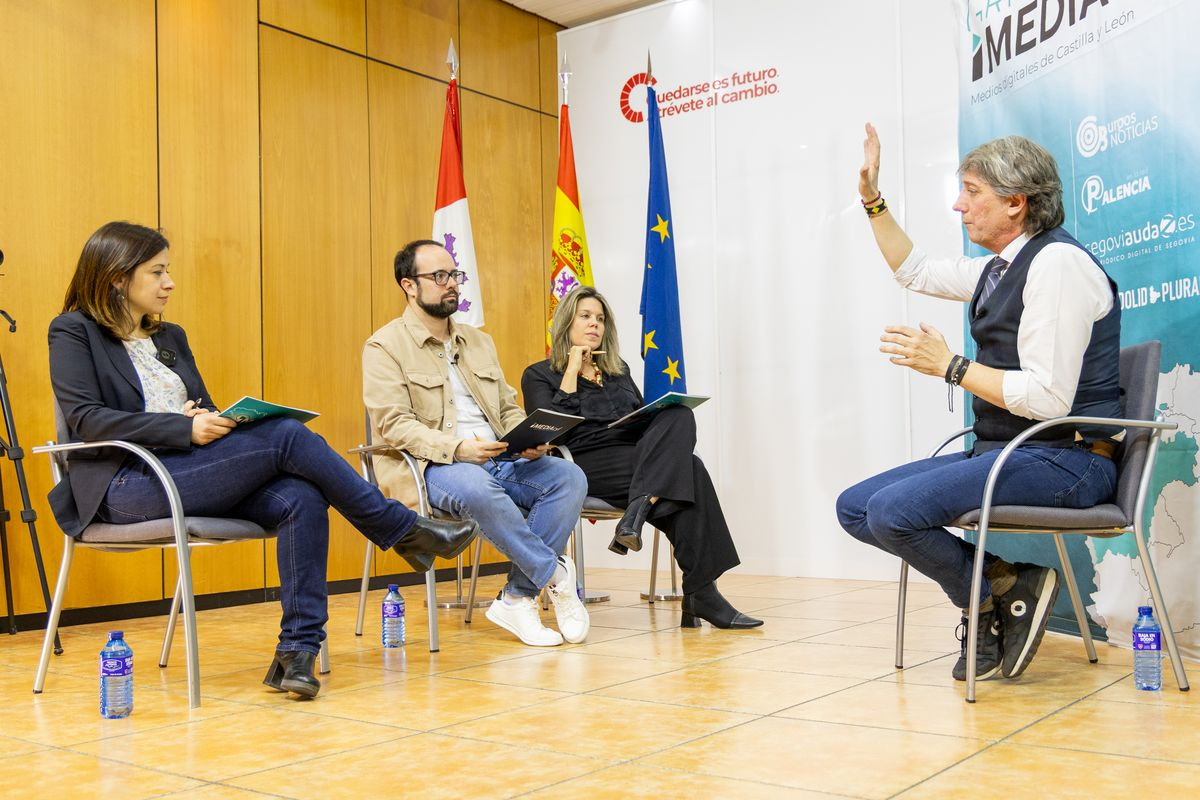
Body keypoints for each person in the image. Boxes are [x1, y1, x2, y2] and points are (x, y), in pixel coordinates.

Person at [48, 221, 478, 700]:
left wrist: (206, 418)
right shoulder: (74, 331)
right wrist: (179, 426)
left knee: (301, 495)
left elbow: (201, 406)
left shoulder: (171, 336)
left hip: (189, 472)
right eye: (157, 272)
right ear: (116, 277)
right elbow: (87, 419)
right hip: (126, 485)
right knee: (287, 437)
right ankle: (401, 529)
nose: (169, 283)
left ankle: (297, 654)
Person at [836, 125, 1122, 681]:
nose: (958, 204)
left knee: (894, 513)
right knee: (855, 507)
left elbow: (1047, 397)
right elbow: (912, 269)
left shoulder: (1057, 265)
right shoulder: (1002, 267)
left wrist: (952, 367)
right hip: (1008, 451)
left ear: (1016, 203)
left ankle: (989, 599)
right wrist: (872, 198)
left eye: (972, 192)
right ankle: (1006, 586)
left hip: (1070, 460)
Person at [362, 240, 590, 648]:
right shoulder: (384, 347)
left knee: (568, 477)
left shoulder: (478, 341)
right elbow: (394, 426)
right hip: (433, 468)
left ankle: (518, 597)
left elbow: (506, 407)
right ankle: (554, 573)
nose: (451, 284)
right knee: (478, 486)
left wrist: (529, 437)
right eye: (438, 277)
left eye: (454, 275)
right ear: (408, 286)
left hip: (501, 458)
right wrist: (457, 448)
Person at [522, 286, 762, 630]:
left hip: (638, 456)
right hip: (584, 461)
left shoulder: (618, 370)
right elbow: (550, 433)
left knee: (679, 415)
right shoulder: (540, 373)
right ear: (565, 323)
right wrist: (572, 371)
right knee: (689, 473)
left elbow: (640, 418)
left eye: (601, 319)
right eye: (586, 316)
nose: (595, 325)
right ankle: (700, 593)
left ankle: (638, 511)